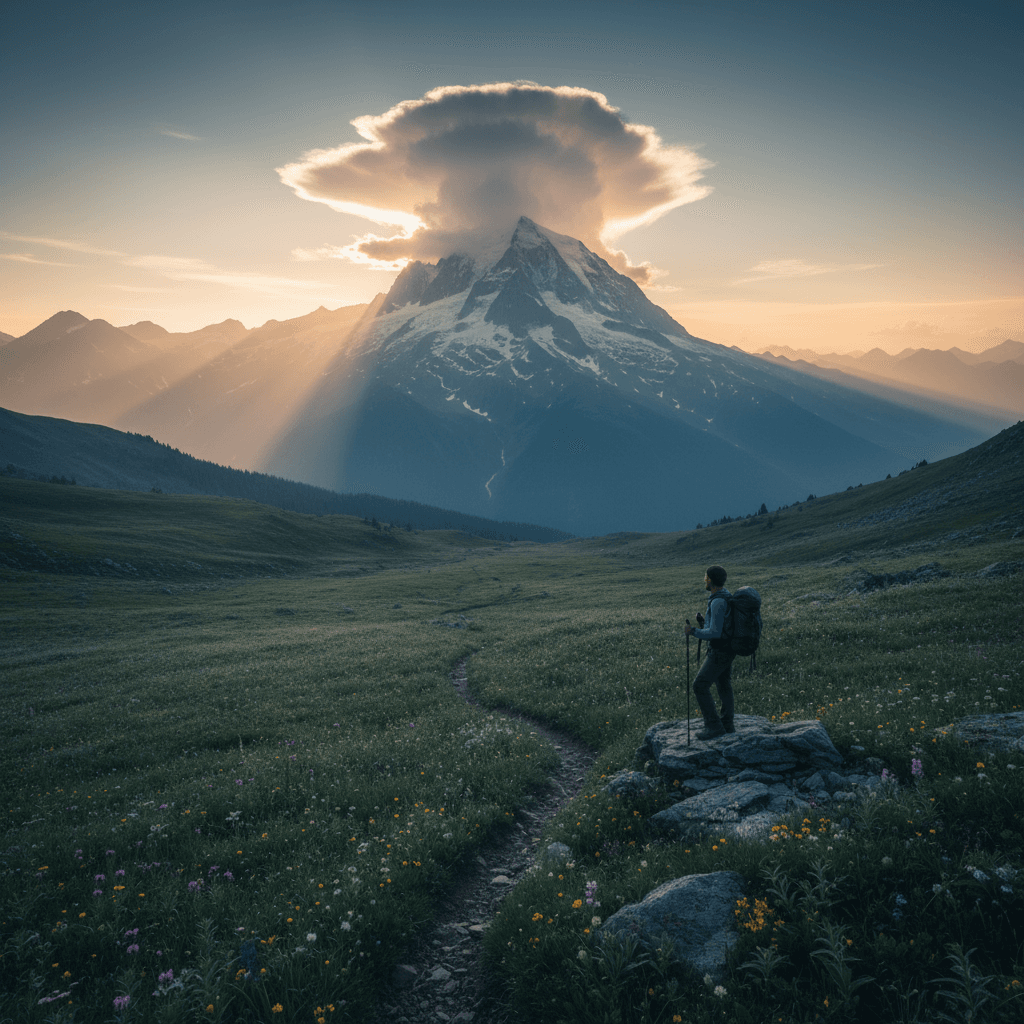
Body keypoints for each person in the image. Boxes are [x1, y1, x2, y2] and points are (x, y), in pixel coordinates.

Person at [683, 565, 735, 739]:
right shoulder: (724, 596)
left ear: (711, 580)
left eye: (706, 577)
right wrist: (704, 623)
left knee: (699, 685)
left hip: (719, 650)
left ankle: (714, 726)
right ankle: (727, 724)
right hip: (728, 649)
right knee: (723, 685)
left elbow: (715, 633)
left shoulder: (718, 601)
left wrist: (694, 631)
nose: (704, 580)